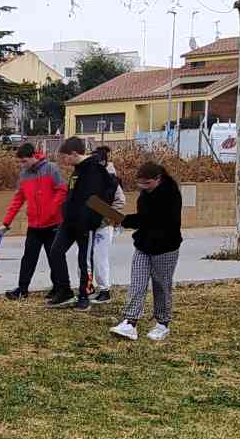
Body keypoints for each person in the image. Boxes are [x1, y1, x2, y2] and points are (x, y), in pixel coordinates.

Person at [110, 161, 184, 343]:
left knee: (161, 286)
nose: (142, 186)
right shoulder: (145, 194)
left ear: (158, 179)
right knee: (137, 282)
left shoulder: (171, 195)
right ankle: (130, 322)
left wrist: (123, 220)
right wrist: (120, 219)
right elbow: (144, 219)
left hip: (165, 248)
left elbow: (150, 220)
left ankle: (162, 324)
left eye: (147, 183)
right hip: (143, 246)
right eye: (140, 183)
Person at [50, 137, 114, 309]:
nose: (64, 161)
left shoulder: (94, 169)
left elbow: (103, 195)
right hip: (69, 222)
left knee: (84, 261)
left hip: (85, 224)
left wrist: (92, 219)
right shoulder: (77, 170)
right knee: (55, 252)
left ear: (73, 154)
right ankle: (64, 291)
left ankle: (84, 295)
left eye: (65, 157)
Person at [0, 141, 66, 300]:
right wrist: (6, 222)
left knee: (54, 258)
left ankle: (58, 288)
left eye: (24, 161)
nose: (23, 165)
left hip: (52, 224)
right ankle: (22, 289)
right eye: (20, 162)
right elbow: (18, 199)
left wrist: (51, 210)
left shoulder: (51, 169)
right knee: (28, 258)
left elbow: (62, 190)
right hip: (34, 225)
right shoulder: (24, 174)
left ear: (33, 156)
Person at [88, 146, 124, 306]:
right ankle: (88, 287)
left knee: (100, 258)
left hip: (104, 225)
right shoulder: (91, 176)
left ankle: (104, 290)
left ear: (102, 162)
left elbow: (120, 201)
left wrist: (106, 216)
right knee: (85, 257)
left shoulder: (111, 179)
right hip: (89, 224)